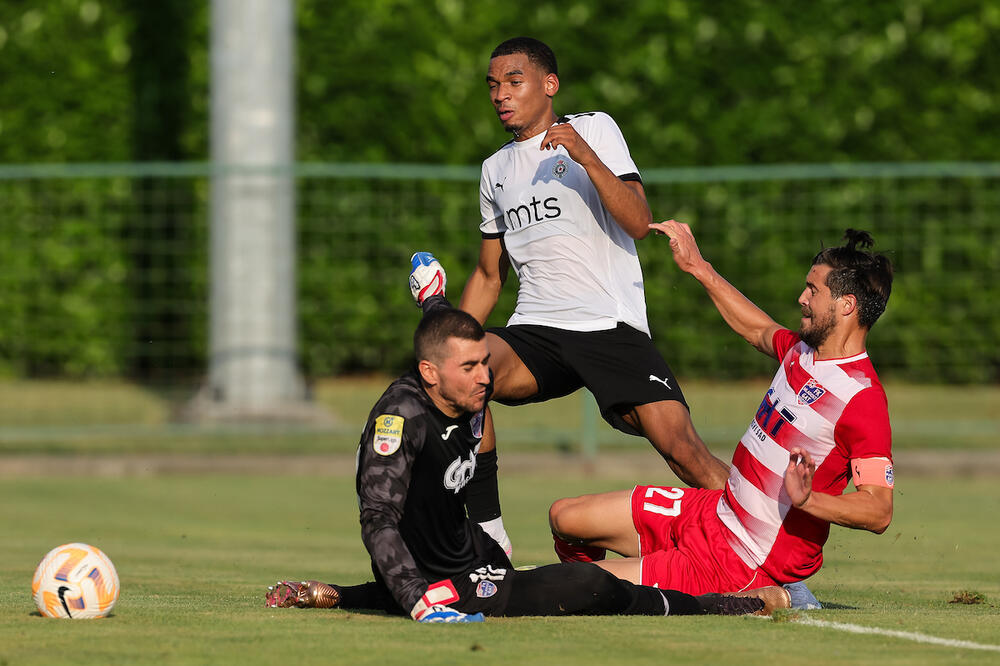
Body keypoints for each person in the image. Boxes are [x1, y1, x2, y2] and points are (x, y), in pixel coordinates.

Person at [265, 299, 786, 621]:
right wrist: (415, 599)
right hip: (441, 576)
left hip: (470, 553)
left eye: (484, 365)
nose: (485, 378)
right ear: (429, 374)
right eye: (469, 368)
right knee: (589, 586)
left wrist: (434, 301)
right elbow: (378, 517)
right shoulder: (399, 420)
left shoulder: (457, 389)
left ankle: (330, 593)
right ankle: (736, 604)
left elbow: (447, 341)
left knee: (516, 572)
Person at [547, 223, 895, 599]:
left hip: (739, 559)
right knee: (564, 516)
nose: (802, 298)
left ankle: (771, 592)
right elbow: (758, 330)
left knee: (573, 585)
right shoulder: (802, 350)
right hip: (712, 512)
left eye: (814, 290)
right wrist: (700, 267)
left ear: (846, 305)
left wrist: (809, 500)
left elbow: (878, 510)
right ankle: (589, 596)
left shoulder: (862, 397)